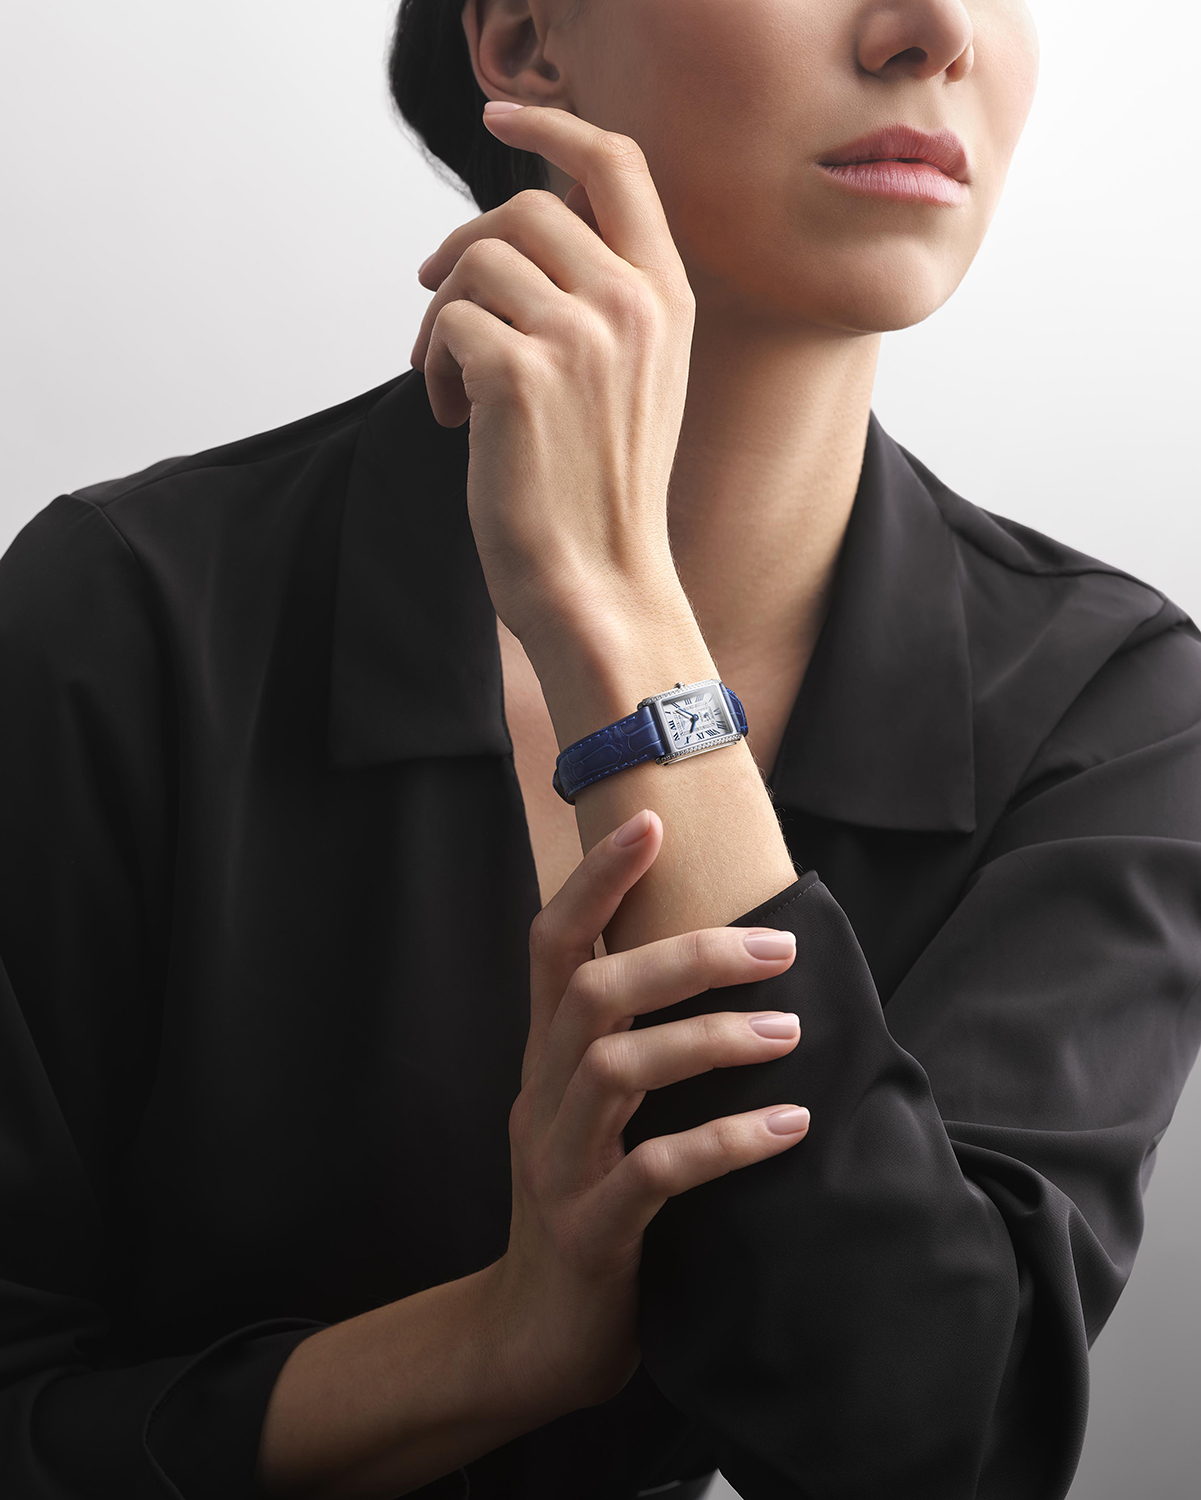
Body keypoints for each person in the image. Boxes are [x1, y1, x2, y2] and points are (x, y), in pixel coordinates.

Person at [1, 0, 1198, 1497]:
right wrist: (491, 1347)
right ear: (521, 41)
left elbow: (930, 1444)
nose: (933, 30)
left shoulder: (1110, 703)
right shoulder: (124, 617)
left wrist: (616, 616)